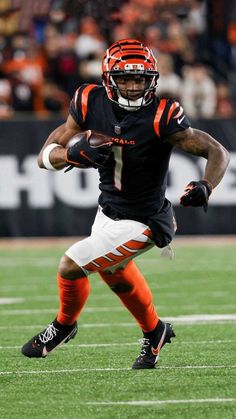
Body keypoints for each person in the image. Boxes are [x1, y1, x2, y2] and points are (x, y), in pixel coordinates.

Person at [21, 39, 230, 369]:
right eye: (125, 78)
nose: (133, 87)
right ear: (108, 78)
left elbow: (217, 150)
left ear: (153, 80)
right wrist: (69, 155)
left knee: (70, 265)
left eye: (140, 79)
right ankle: (155, 331)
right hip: (108, 210)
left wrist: (207, 185)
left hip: (146, 219)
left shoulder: (163, 115)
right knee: (114, 272)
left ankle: (63, 326)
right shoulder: (89, 101)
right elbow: (45, 156)